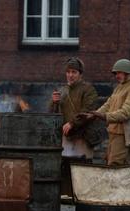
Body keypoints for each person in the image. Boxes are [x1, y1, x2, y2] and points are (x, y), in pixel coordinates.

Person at [79, 59, 130, 165]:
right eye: (116, 73)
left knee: (117, 166)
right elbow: (108, 104)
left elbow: (126, 113)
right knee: (110, 163)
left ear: (127, 72)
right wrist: (92, 115)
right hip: (114, 132)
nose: (116, 76)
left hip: (125, 135)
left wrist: (104, 116)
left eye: (119, 72)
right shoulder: (120, 87)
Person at [49, 57, 99, 196]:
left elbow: (88, 111)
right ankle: (65, 200)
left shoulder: (88, 90)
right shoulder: (62, 90)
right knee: (64, 169)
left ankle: (82, 199)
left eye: (74, 72)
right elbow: (52, 115)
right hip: (66, 138)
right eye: (68, 72)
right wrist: (53, 103)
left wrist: (72, 123)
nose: (70, 75)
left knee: (82, 170)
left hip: (83, 136)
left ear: (80, 74)